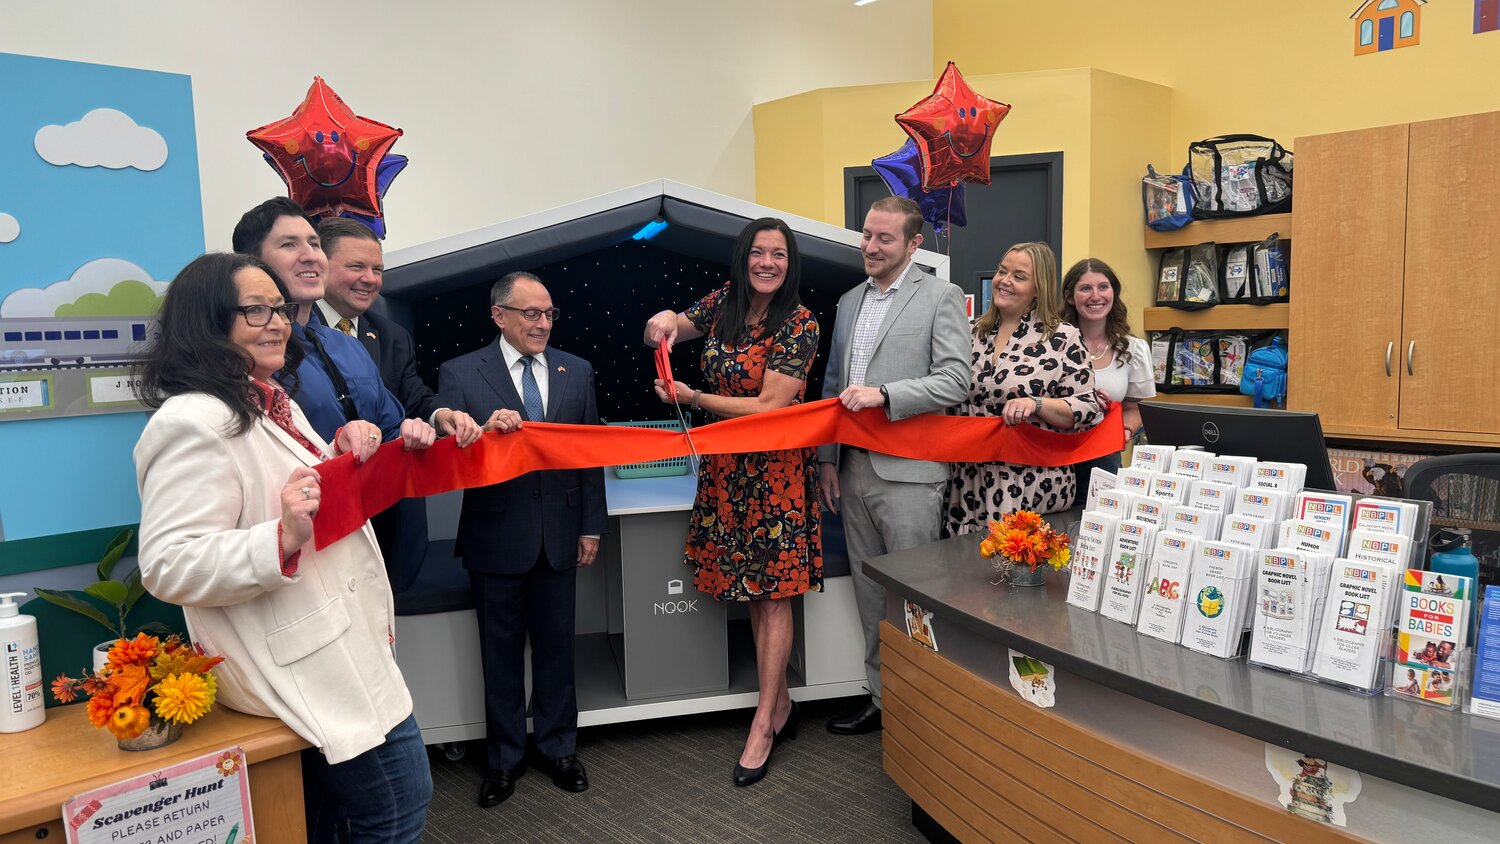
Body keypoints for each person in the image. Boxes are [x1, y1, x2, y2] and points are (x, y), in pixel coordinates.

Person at [134, 252, 432, 842]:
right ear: (208, 323)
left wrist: (341, 455)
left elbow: (294, 494)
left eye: (279, 308)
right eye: (255, 310)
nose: (277, 321)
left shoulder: (271, 400)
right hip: (304, 664)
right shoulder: (192, 421)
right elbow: (168, 565)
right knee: (399, 804)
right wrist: (280, 539)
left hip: (333, 648)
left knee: (316, 820)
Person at [643, 217, 821, 786]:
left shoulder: (799, 322)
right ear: (744, 258)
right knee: (752, 591)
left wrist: (693, 397)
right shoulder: (724, 302)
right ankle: (782, 704)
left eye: (779, 255)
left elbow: (771, 406)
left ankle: (764, 724)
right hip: (726, 471)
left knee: (773, 598)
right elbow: (676, 323)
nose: (768, 263)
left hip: (775, 475)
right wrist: (661, 323)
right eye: (759, 253)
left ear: (790, 263)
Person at [437, 272, 606, 808]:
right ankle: (504, 759)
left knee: (558, 649)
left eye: (549, 314)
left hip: (561, 534)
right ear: (499, 315)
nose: (541, 324)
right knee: (500, 653)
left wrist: (591, 525)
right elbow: (447, 459)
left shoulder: (576, 371)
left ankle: (559, 748)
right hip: (495, 535)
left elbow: (589, 455)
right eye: (530, 313)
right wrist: (481, 431)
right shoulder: (460, 374)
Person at [818, 196, 971, 736]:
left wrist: (885, 394)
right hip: (852, 469)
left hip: (910, 473)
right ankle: (883, 700)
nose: (870, 247)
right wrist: (827, 461)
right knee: (869, 597)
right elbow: (834, 385)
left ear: (914, 244)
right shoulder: (846, 302)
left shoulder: (941, 296)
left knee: (915, 599)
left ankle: (922, 709)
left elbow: (956, 381)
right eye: (866, 235)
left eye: (884, 238)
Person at [315, 218, 483, 590]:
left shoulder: (391, 334)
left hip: (385, 510)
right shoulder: (292, 333)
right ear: (321, 266)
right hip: (321, 506)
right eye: (357, 266)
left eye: (377, 269)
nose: (370, 279)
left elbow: (413, 395)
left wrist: (443, 415)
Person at [231, 197, 436, 449]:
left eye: (314, 244)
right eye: (289, 244)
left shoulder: (350, 346)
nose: (310, 255)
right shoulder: (245, 351)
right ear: (252, 262)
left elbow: (390, 427)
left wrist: (408, 433)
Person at [944, 243, 1102, 538]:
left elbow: (1087, 409)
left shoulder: (1062, 338)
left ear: (1038, 288)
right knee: (961, 576)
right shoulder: (969, 331)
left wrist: (1037, 403)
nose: (1005, 280)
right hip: (967, 485)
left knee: (1019, 578)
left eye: (1018, 276)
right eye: (1002, 271)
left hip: (1031, 488)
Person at [1060, 258, 1154, 505]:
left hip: (1103, 460)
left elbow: (1135, 408)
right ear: (1070, 297)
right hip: (1055, 459)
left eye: (1103, 287)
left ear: (1113, 293)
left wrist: (1125, 430)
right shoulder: (1051, 346)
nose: (1095, 296)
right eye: (1085, 288)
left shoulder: (1133, 349)